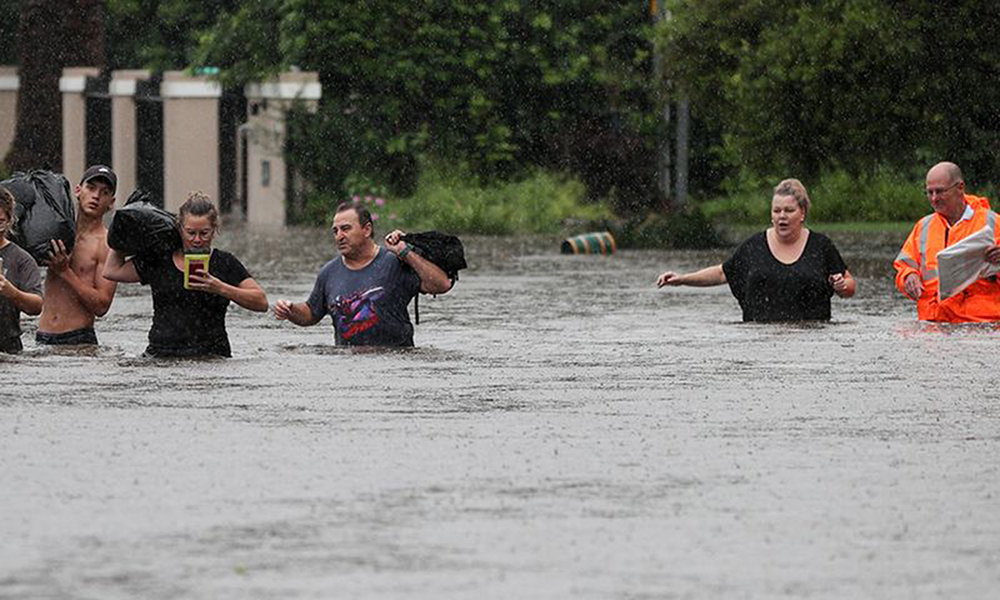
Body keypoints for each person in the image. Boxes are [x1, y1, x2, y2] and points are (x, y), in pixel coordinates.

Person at [657, 178, 855, 321]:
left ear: (802, 212)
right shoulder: (754, 246)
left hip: (812, 343)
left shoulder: (821, 246)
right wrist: (682, 279)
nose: (782, 216)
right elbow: (721, 274)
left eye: (789, 210)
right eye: (776, 211)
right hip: (762, 344)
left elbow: (849, 285)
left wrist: (841, 286)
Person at [103, 192, 268, 357]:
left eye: (204, 233)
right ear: (180, 229)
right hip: (161, 356)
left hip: (212, 357)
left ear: (214, 230)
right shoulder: (160, 259)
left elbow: (261, 302)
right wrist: (123, 232)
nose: (197, 240)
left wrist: (220, 288)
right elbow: (112, 271)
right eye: (190, 233)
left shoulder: (224, 262)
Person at [274, 201, 453, 346]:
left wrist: (405, 252)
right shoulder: (328, 273)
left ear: (367, 229)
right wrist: (290, 310)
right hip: (349, 369)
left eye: (346, 229)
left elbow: (441, 284)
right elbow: (311, 313)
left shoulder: (394, 262)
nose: (339, 236)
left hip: (396, 365)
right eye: (335, 231)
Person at [894, 161, 1000, 322]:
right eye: (930, 192)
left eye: (940, 191)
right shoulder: (923, 226)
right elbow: (904, 266)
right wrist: (908, 276)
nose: (934, 198)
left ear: (960, 188)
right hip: (934, 322)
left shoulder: (993, 222)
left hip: (982, 323)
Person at [36, 165, 118, 346]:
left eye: (104, 192)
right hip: (41, 337)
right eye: (91, 188)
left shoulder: (107, 244)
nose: (96, 196)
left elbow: (102, 306)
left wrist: (65, 272)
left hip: (78, 339)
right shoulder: (56, 232)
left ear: (111, 202)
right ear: (78, 190)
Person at [0, 186, 43, 353]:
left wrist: (13, 293)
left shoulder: (22, 260)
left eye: (0, 222)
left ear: (10, 220)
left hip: (8, 347)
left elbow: (37, 306)